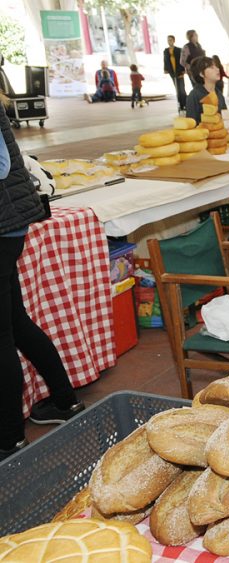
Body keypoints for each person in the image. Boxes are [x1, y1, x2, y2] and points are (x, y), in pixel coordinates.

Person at [0, 111, 86, 462]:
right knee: (16, 323)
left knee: (3, 335)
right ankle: (64, 401)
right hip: (8, 225)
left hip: (4, 227)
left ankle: (9, 439)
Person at [184, 56, 227, 125]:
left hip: (218, 133)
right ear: (201, 74)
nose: (217, 69)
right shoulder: (194, 96)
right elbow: (191, 124)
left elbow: (224, 117)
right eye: (211, 67)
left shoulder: (218, 93)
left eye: (216, 66)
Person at [163, 35, 186, 112]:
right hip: (172, 72)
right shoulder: (166, 51)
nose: (169, 41)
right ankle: (180, 104)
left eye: (171, 40)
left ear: (174, 40)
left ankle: (185, 104)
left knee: (182, 89)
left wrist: (183, 70)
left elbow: (182, 61)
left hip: (179, 71)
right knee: (177, 89)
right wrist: (165, 69)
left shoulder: (179, 50)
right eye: (168, 40)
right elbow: (165, 61)